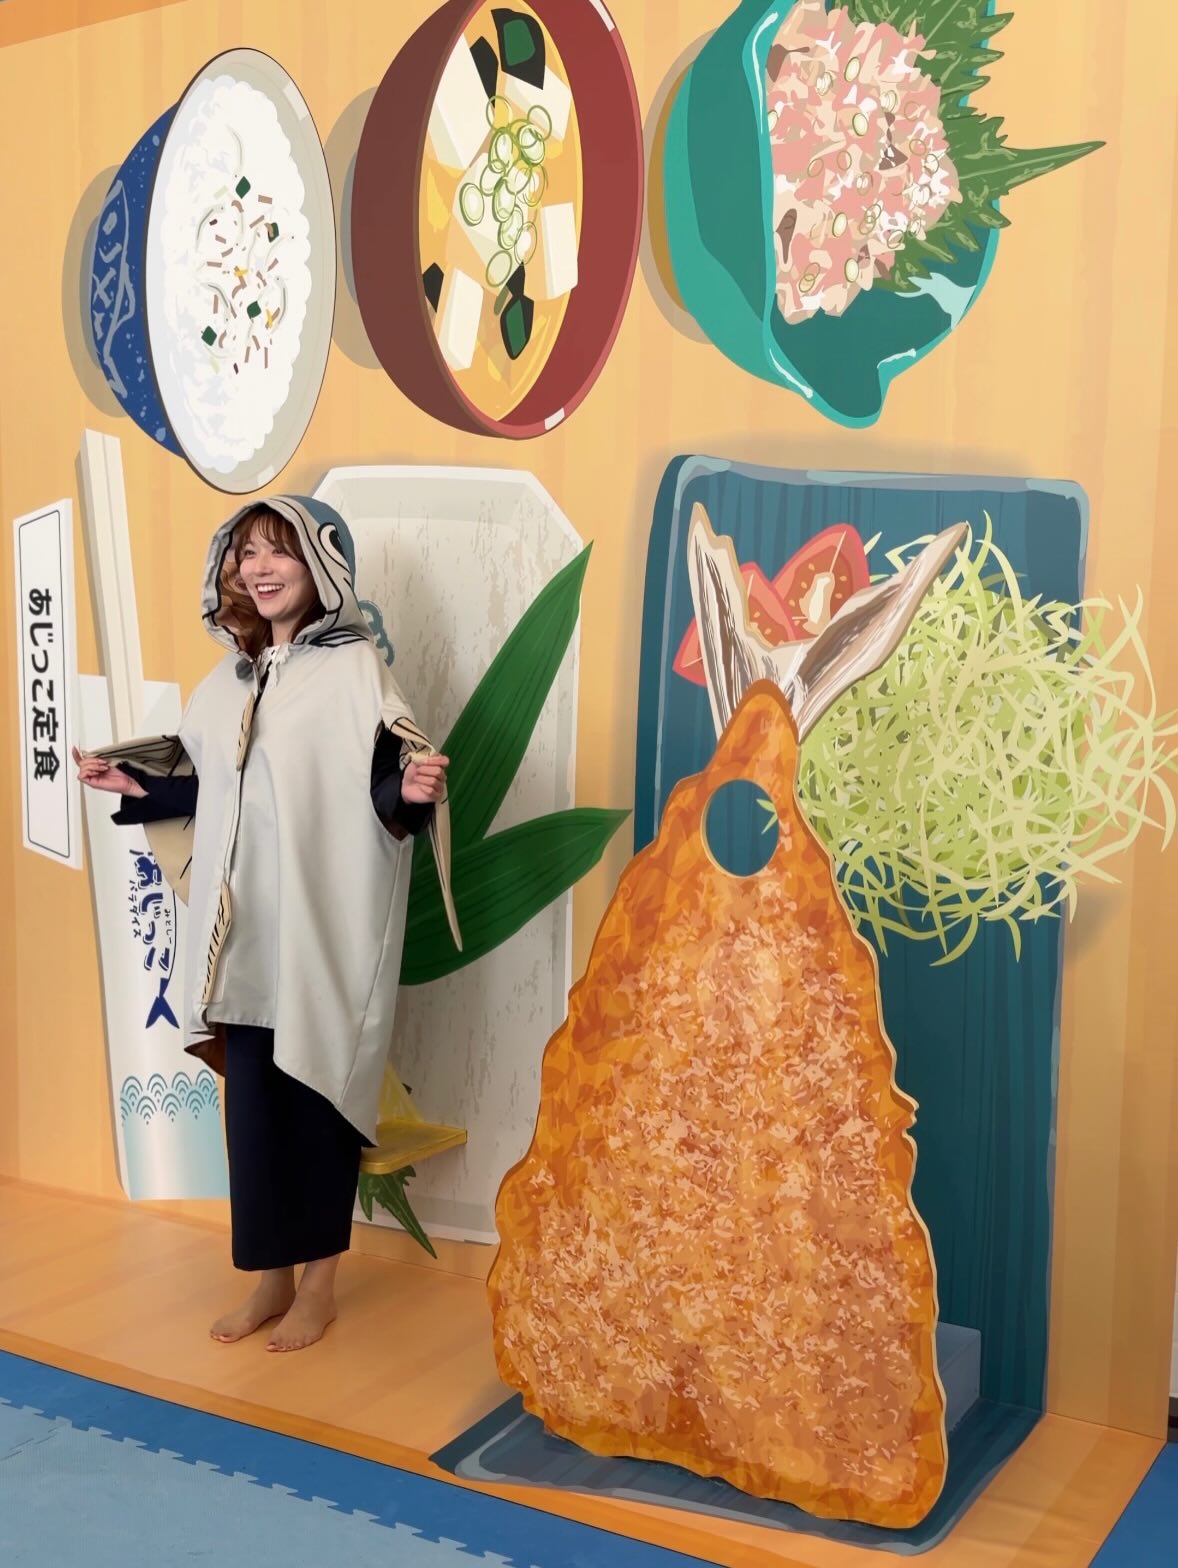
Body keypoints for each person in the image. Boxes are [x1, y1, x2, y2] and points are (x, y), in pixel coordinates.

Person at [74, 496, 459, 1353]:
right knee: (252, 1117)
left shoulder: (356, 673)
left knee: (317, 1105)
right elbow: (213, 786)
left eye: (279, 550)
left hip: (317, 938)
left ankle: (320, 1286)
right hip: (242, 941)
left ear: (321, 567)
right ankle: (269, 1280)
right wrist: (138, 784)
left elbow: (382, 785)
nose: (260, 567)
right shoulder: (229, 682)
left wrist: (410, 791)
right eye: (247, 552)